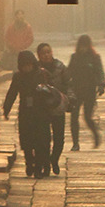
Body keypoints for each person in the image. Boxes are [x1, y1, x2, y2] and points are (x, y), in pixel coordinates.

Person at [2, 50, 55, 178]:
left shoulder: (42, 74)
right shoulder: (18, 77)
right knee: (26, 141)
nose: (27, 68)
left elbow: (53, 92)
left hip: (42, 113)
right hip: (26, 112)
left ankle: (39, 166)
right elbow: (12, 93)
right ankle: (29, 162)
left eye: (29, 65)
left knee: (41, 141)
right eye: (24, 66)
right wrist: (6, 109)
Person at [36, 42, 70, 175]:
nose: (46, 55)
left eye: (48, 52)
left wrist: (70, 98)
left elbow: (68, 83)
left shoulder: (60, 67)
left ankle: (54, 159)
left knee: (59, 137)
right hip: (41, 108)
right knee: (43, 138)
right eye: (43, 53)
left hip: (57, 106)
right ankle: (46, 164)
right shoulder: (36, 69)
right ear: (38, 55)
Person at [67, 34, 105, 151]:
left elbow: (100, 72)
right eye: (81, 45)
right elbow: (68, 73)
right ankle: (75, 143)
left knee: (88, 117)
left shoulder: (94, 58)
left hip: (89, 90)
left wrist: (101, 85)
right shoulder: (74, 57)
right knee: (74, 117)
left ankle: (96, 135)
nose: (83, 48)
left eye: (85, 45)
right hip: (76, 90)